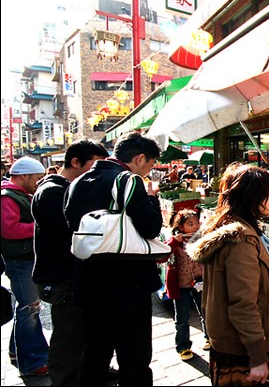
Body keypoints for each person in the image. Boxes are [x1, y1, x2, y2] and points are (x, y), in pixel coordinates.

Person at [63, 131, 163, 386]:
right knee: (134, 358)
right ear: (140, 158)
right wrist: (152, 198)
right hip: (128, 284)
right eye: (150, 164)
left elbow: (71, 224)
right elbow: (150, 227)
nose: (148, 171)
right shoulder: (128, 180)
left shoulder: (77, 182)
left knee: (95, 355)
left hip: (88, 282)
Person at [187, 163, 269, 386]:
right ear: (253, 197)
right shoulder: (241, 238)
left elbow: (234, 278)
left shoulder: (232, 228)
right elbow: (243, 303)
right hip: (243, 350)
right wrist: (257, 357)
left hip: (231, 341)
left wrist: (268, 261)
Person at [31, 140, 108, 385]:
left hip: (72, 276)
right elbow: (74, 229)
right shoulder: (53, 191)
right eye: (95, 165)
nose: (98, 173)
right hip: (63, 278)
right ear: (76, 162)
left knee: (81, 335)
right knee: (68, 340)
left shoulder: (64, 188)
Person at [1, 157, 49, 376]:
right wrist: (39, 226)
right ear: (23, 176)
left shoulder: (18, 195)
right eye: (37, 178)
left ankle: (17, 352)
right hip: (20, 260)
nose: (38, 183)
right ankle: (33, 362)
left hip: (23, 258)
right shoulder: (7, 197)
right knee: (29, 309)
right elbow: (10, 229)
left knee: (27, 307)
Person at [164, 209, 209, 362]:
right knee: (182, 317)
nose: (195, 226)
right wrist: (174, 242)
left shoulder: (200, 239)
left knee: (205, 311)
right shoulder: (175, 242)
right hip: (181, 285)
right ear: (181, 227)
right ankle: (183, 346)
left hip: (199, 281)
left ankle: (209, 337)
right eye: (190, 224)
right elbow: (163, 255)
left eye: (197, 223)